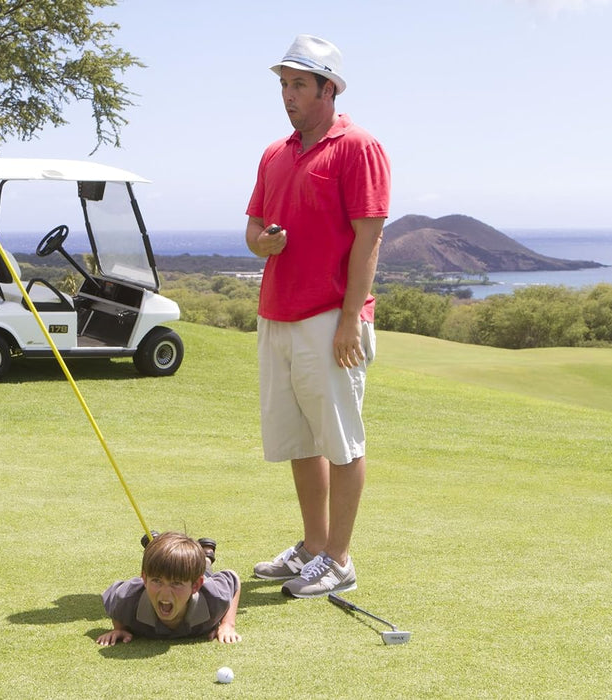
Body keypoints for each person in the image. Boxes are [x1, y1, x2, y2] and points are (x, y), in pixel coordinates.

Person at [245, 35, 391, 599]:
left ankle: (339, 559)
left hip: (331, 316)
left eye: (300, 84)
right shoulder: (274, 154)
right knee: (301, 441)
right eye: (284, 84)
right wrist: (264, 245)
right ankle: (312, 546)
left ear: (328, 88)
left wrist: (351, 317)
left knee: (341, 442)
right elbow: (254, 228)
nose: (288, 95)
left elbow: (369, 237)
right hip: (277, 313)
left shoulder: (358, 146)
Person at [97, 531, 241, 645]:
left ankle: (205, 556)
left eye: (176, 583)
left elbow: (233, 579)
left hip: (200, 575)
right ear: (144, 580)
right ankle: (157, 547)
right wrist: (119, 628)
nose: (165, 593)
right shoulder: (127, 597)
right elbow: (113, 597)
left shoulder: (213, 596)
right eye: (157, 581)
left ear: (195, 586)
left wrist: (227, 624)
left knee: (204, 568)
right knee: (164, 564)